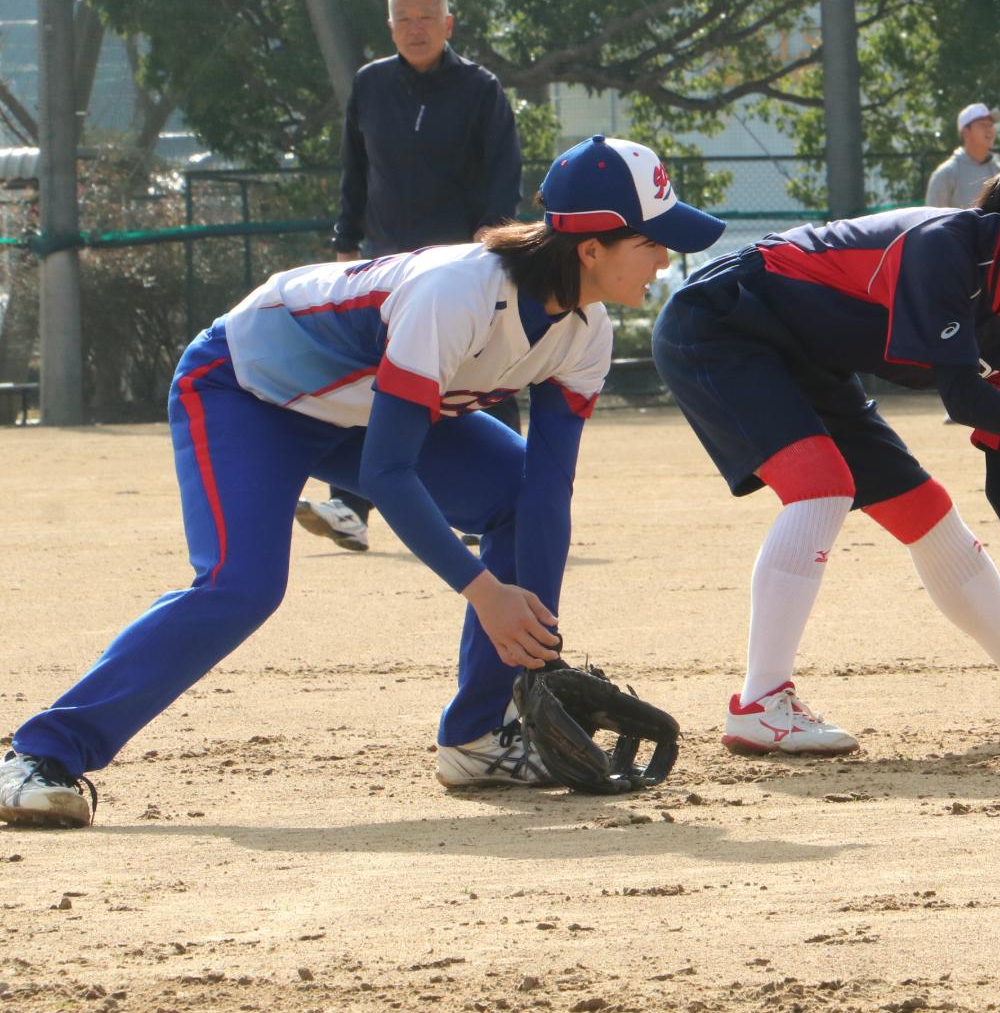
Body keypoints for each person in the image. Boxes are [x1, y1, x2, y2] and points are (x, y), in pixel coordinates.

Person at [0, 137, 724, 828]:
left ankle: (478, 739)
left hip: (363, 412)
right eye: (652, 242)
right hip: (247, 392)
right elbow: (387, 471)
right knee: (239, 586)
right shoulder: (458, 292)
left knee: (511, 489)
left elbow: (544, 491)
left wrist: (535, 656)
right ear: (590, 248)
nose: (664, 260)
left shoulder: (585, 332)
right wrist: (483, 591)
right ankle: (39, 755)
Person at [653, 145, 1000, 754]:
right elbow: (963, 398)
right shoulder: (948, 246)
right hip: (722, 322)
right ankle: (760, 702)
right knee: (823, 486)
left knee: (925, 509)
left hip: (810, 361)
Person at [298, 0, 524, 552]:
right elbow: (355, 172)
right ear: (390, 26)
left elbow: (504, 173)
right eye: (404, 18)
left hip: (464, 271)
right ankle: (349, 507)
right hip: (386, 270)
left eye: (427, 17)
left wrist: (491, 244)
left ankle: (502, 501)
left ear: (449, 24)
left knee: (483, 379)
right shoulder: (370, 85)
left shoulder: (482, 90)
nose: (416, 27)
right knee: (375, 380)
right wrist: (345, 243)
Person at [924, 102, 1000, 208]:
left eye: (991, 125)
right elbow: (934, 220)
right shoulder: (945, 174)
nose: (989, 130)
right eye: (982, 124)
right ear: (965, 132)